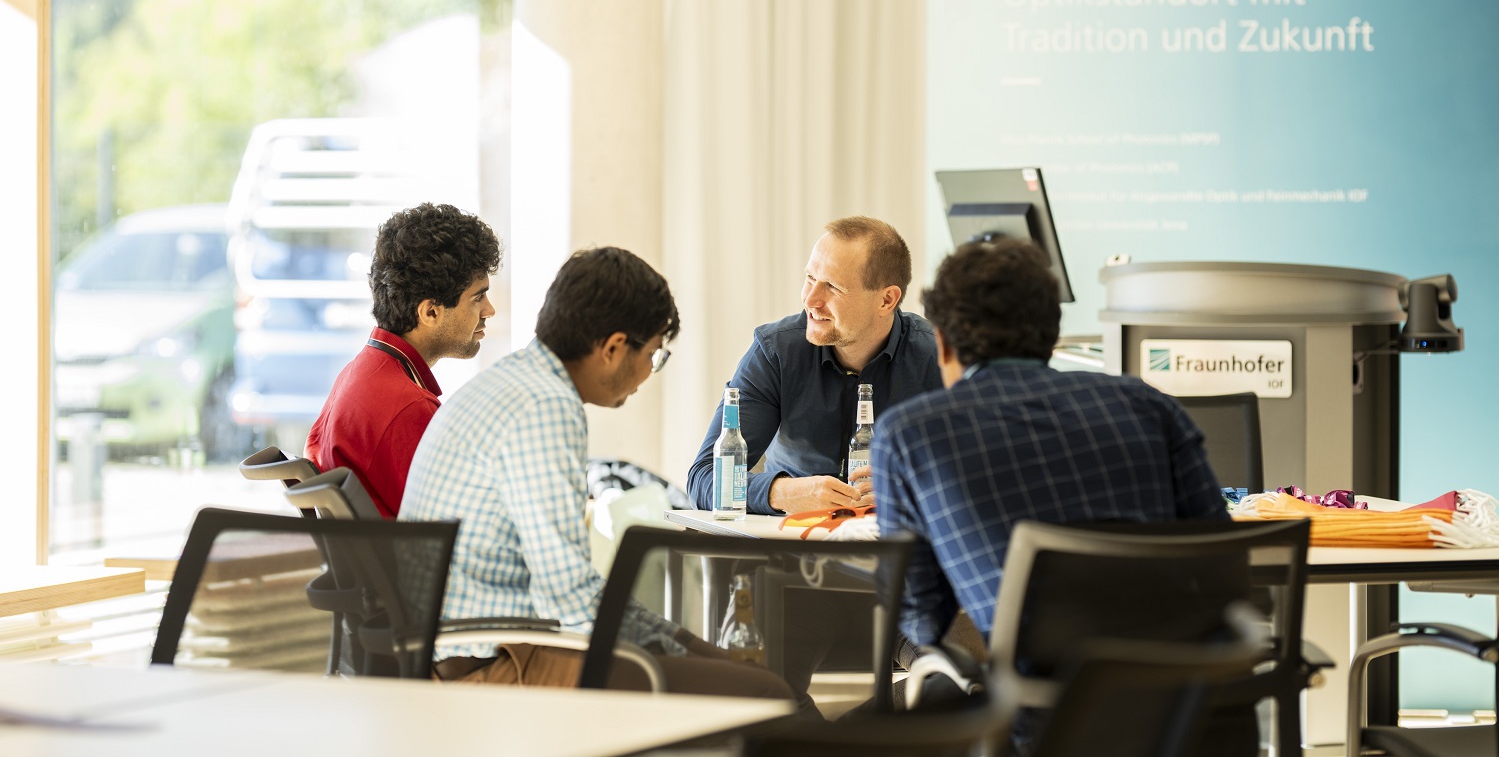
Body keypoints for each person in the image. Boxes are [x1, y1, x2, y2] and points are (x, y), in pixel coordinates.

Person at [400, 247, 793, 702]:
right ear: (612, 349)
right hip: (492, 665)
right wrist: (690, 652)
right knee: (763, 693)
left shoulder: (514, 381)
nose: (649, 373)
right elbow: (569, 598)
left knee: (727, 674)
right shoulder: (546, 406)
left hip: (466, 649)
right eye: (654, 355)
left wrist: (691, 647)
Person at [873, 237, 1230, 649]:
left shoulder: (910, 434)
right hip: (1182, 690)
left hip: (1034, 704)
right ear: (1052, 331)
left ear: (943, 343)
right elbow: (1221, 561)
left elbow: (922, 622)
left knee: (861, 714)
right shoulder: (1149, 404)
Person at [686, 216, 942, 516]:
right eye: (810, 279)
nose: (810, 299)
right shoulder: (775, 351)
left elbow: (977, 472)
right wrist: (783, 492)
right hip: (790, 548)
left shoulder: (936, 356)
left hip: (898, 546)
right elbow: (703, 479)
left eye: (832, 287)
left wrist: (909, 486)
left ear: (887, 300)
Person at [305, 202, 500, 518]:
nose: (489, 310)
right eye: (478, 297)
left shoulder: (358, 375)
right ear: (430, 312)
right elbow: (463, 527)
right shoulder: (408, 408)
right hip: (413, 565)